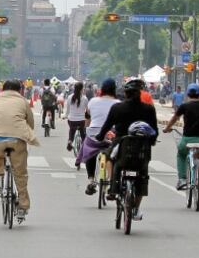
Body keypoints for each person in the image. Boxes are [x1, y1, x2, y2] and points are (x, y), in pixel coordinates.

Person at [0, 79, 39, 221]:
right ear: (20, 90)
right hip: (16, 140)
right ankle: (23, 208)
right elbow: (30, 123)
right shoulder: (23, 101)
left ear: (2, 89)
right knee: (20, 174)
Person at [95, 79, 158, 209]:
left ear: (125, 93)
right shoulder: (149, 109)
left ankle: (113, 186)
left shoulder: (117, 108)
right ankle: (136, 209)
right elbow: (154, 131)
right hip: (142, 148)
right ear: (140, 93)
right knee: (143, 175)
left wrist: (100, 136)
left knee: (109, 158)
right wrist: (151, 141)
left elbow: (106, 126)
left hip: (120, 145)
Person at [163, 83, 199, 193]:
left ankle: (182, 179)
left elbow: (174, 119)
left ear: (188, 94)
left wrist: (167, 128)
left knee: (181, 154)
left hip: (187, 139)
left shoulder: (184, 106)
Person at [79, 78, 120, 194]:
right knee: (114, 153)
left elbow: (87, 118)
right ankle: (112, 179)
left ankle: (91, 179)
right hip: (111, 134)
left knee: (89, 151)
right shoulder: (118, 103)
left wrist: (86, 129)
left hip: (93, 134)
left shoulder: (92, 101)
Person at [64, 81, 89, 152]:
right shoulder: (85, 98)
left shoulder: (69, 97)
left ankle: (70, 141)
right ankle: (84, 144)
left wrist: (65, 116)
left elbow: (68, 110)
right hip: (81, 120)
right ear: (82, 89)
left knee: (72, 130)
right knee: (83, 133)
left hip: (71, 120)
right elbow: (87, 110)